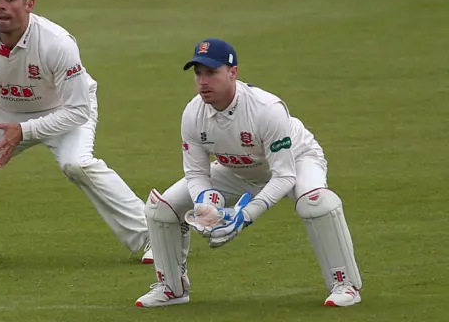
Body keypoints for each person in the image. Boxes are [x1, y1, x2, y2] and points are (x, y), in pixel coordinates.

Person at [0, 0, 153, 265]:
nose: (1, 6)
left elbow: (78, 110)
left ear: (29, 4)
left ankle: (153, 236)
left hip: (64, 109)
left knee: (76, 164)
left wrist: (25, 131)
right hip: (6, 110)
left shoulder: (56, 42)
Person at [134, 38, 362, 307]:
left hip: (295, 161)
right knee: (161, 210)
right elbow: (196, 173)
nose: (203, 81)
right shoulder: (193, 113)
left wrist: (245, 215)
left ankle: (345, 284)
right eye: (198, 74)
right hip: (237, 168)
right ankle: (172, 289)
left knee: (315, 203)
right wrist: (206, 203)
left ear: (233, 72)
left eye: (211, 73)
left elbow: (285, 176)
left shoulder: (267, 110)